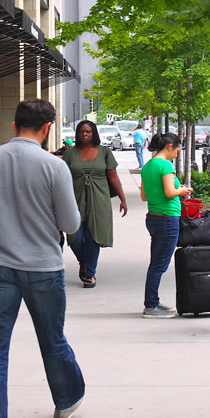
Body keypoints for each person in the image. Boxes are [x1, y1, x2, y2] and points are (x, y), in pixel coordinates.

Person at [0, 99, 84, 418]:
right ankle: (67, 399)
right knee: (52, 339)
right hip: (43, 266)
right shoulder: (54, 167)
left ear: (14, 126)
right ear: (46, 130)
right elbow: (71, 223)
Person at [62, 120, 127, 288]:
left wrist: (123, 199)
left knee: (93, 237)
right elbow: (62, 179)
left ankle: (90, 273)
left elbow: (113, 177)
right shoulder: (70, 154)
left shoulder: (104, 152)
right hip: (74, 199)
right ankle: (83, 261)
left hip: (99, 200)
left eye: (88, 132)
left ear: (94, 134)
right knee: (74, 237)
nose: (84, 134)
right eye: (81, 132)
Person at [139, 132, 193, 319]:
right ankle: (151, 307)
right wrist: (183, 190)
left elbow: (144, 196)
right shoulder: (165, 165)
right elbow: (171, 192)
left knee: (155, 263)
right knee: (159, 265)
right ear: (170, 146)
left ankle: (153, 301)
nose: (178, 154)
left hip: (153, 217)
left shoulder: (147, 166)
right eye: (178, 150)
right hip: (168, 219)